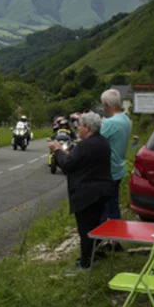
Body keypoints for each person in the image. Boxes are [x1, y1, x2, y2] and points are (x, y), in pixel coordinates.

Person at [48, 111, 113, 270]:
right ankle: (95, 255)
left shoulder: (84, 145)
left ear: (88, 128)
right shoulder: (103, 142)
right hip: (102, 190)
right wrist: (65, 153)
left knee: (85, 229)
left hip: (86, 193)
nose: (77, 128)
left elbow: (67, 165)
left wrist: (56, 150)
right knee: (95, 226)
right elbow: (78, 160)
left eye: (80, 125)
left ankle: (85, 264)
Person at [98, 89, 133, 252]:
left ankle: (105, 241)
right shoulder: (126, 120)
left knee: (103, 208)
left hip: (107, 170)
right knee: (113, 206)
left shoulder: (110, 123)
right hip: (119, 167)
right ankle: (116, 240)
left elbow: (94, 138)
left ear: (105, 104)